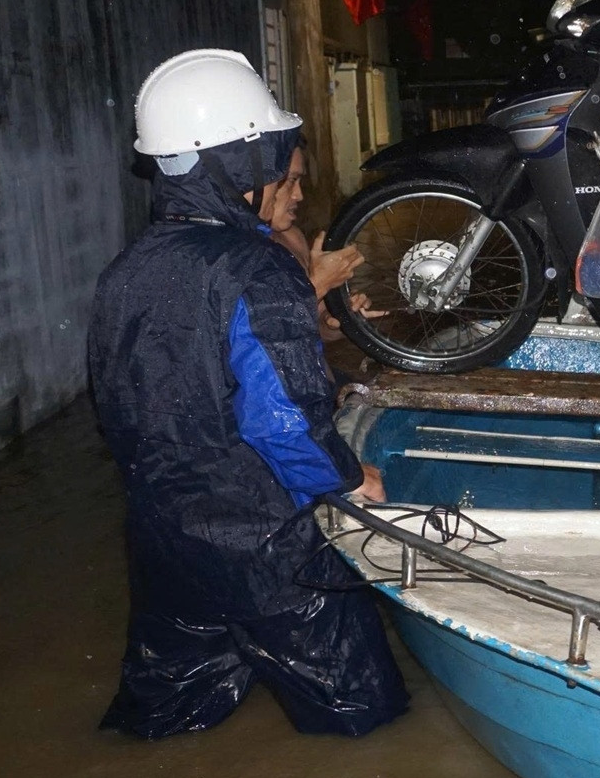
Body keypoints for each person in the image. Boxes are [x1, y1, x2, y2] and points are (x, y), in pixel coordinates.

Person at [88, 48, 409, 738]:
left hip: (162, 539)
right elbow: (282, 423)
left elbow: (123, 406)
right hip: (265, 549)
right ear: (235, 166)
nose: (291, 186)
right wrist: (348, 479)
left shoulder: (125, 270)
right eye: (275, 164)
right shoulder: (256, 270)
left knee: (164, 716)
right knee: (362, 716)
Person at [259, 146, 380, 340]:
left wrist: (337, 318)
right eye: (290, 181)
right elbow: (257, 331)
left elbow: (315, 328)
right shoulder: (235, 250)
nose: (299, 195)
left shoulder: (292, 237)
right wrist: (319, 283)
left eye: (300, 181)